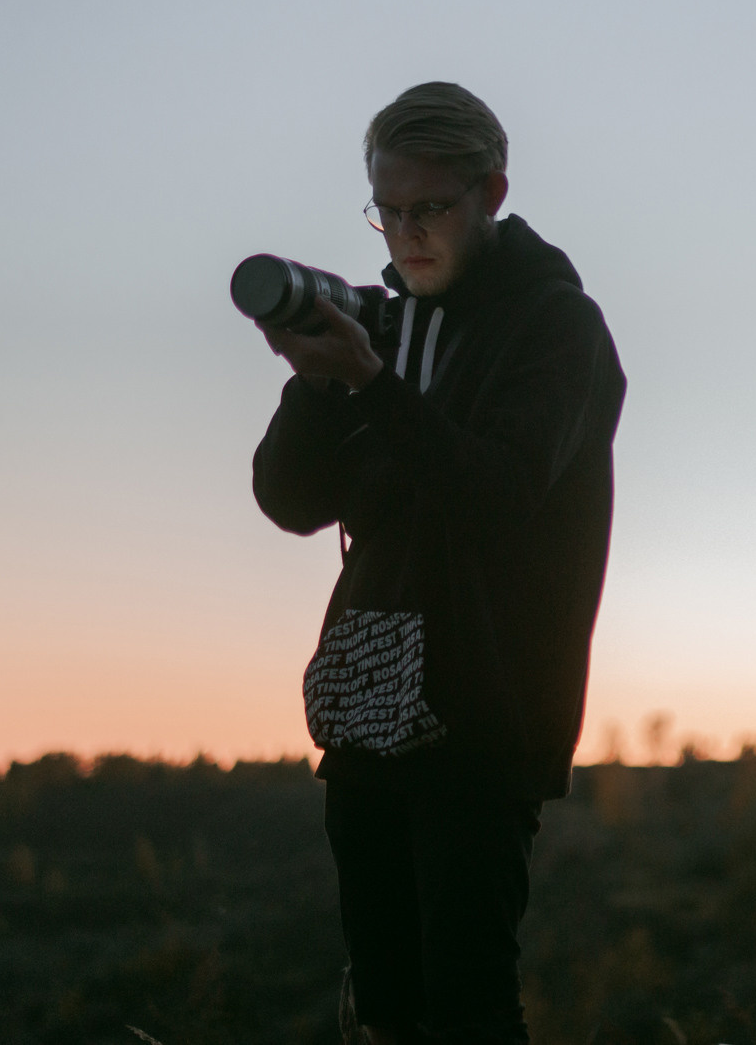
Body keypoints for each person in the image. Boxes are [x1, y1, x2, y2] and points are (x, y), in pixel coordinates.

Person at [250, 82, 626, 1045]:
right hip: (372, 705)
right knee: (386, 1006)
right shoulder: (378, 324)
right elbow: (290, 501)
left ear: (491, 192)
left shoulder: (555, 328)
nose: (405, 236)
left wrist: (373, 385)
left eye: (430, 209)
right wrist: (315, 385)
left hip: (485, 717)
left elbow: (498, 494)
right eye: (387, 211)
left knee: (465, 1007)